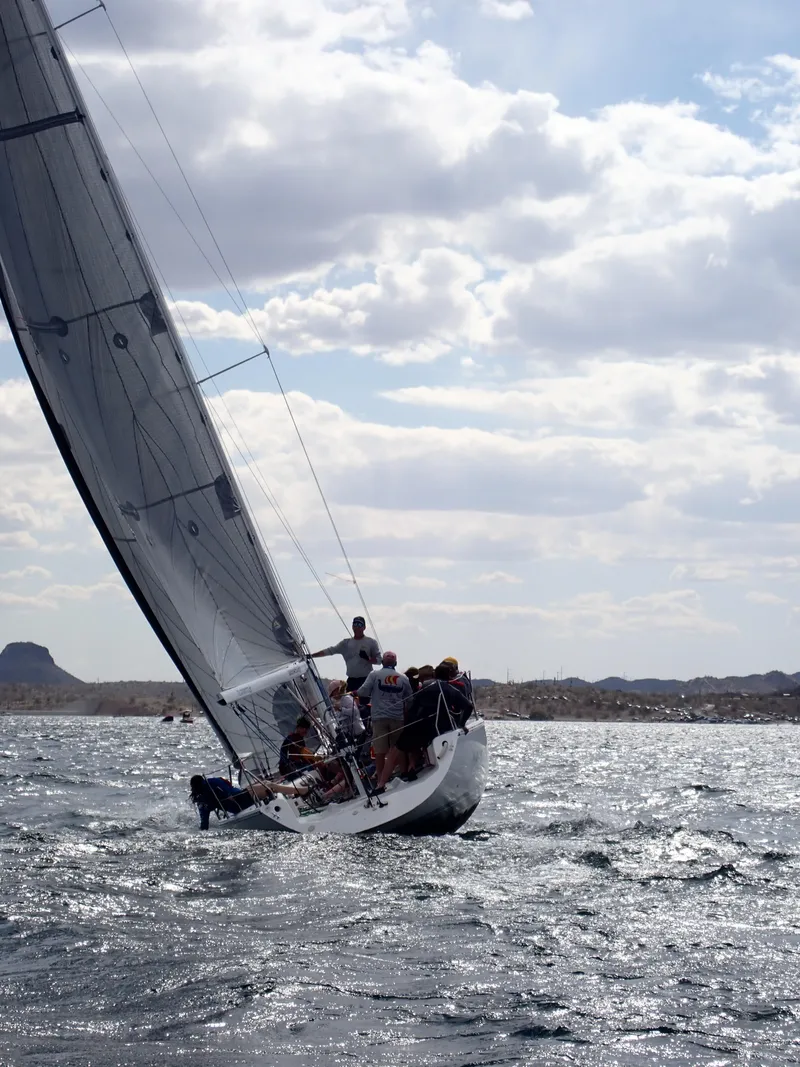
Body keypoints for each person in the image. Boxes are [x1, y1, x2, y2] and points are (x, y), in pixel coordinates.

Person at [357, 651, 413, 781]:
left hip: (379, 718)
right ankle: (404, 773)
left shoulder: (375, 675)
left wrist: (355, 692)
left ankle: (381, 779)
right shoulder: (403, 679)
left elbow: (363, 691)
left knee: (380, 751)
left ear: (382, 662)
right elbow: (409, 699)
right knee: (399, 748)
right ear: (396, 663)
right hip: (397, 718)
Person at [310, 617, 381, 693]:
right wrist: (311, 656)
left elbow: (379, 660)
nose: (357, 627)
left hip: (366, 679)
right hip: (351, 680)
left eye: (359, 624)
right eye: (355, 624)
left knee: (364, 702)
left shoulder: (371, 642)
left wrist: (368, 659)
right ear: (352, 626)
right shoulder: (345, 643)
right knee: (349, 702)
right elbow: (330, 651)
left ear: (364, 627)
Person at [190, 774, 274, 831]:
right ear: (202, 780)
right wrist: (228, 794)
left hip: (235, 808)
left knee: (254, 790)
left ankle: (267, 796)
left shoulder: (201, 802)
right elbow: (227, 789)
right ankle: (269, 796)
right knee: (266, 784)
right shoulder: (211, 782)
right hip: (241, 798)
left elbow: (204, 824)